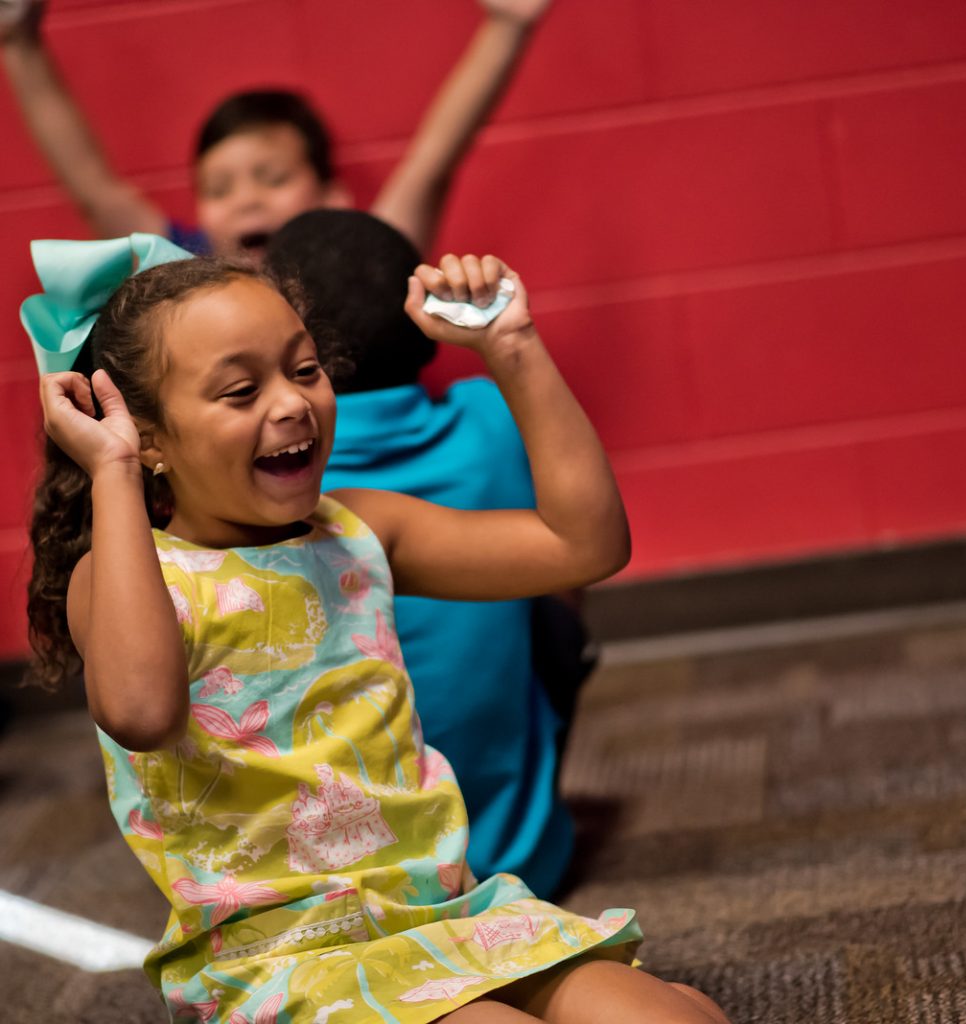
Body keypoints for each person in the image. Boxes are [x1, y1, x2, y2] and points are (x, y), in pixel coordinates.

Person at [23, 234, 730, 1023]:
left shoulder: (359, 530)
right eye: (241, 391)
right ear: (149, 437)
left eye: (304, 369)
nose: (291, 403)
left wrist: (513, 346)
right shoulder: (125, 578)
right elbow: (140, 713)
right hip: (285, 959)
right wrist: (112, 471)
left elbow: (585, 546)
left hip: (445, 915)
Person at [265, 209, 582, 900]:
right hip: (528, 861)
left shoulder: (272, 479)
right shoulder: (493, 416)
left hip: (365, 893)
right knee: (556, 605)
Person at [1, 0, 550, 261]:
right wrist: (17, 43)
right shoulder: (184, 267)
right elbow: (97, 193)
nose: (246, 200)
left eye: (273, 177)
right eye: (218, 189)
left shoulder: (362, 264)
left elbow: (431, 166)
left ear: (333, 199)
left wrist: (507, 26)